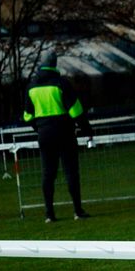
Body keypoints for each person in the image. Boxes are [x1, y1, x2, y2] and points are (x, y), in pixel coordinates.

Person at [23, 57, 89, 222]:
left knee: (48, 174)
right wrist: (87, 130)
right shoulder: (61, 83)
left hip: (44, 134)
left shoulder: (31, 87)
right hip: (65, 132)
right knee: (71, 172)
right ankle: (77, 211)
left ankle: (49, 214)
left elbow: (27, 116)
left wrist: (39, 128)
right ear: (54, 66)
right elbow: (76, 111)